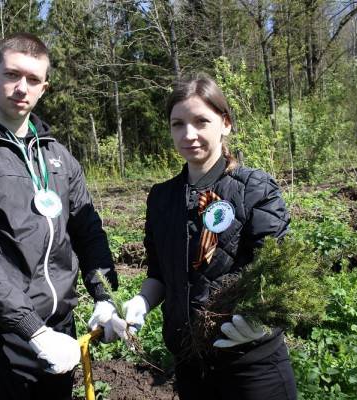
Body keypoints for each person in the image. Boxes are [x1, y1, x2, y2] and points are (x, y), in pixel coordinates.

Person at [0, 32, 118, 400]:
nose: (21, 88)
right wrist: (32, 329)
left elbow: (88, 230)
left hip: (59, 327)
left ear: (44, 88)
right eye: (12, 75)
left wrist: (105, 296)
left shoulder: (58, 156)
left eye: (33, 79)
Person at [120, 74, 297, 400]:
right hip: (191, 368)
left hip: (252, 368)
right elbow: (159, 273)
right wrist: (143, 301)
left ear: (225, 123)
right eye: (178, 124)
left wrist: (262, 321)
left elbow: (277, 277)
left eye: (202, 121)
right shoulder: (161, 199)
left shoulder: (256, 189)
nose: (189, 134)